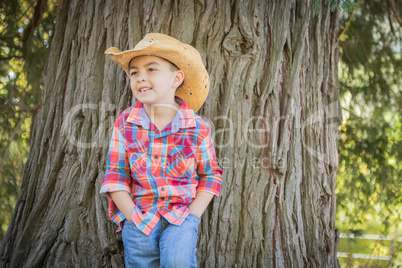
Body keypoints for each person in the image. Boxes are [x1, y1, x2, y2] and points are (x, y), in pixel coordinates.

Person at [99, 33, 223, 268]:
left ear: (176, 78)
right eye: (134, 72)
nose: (140, 77)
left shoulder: (196, 127)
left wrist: (192, 217)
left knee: (177, 262)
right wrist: (132, 216)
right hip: (140, 217)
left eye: (151, 69)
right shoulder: (126, 122)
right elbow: (115, 175)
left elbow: (210, 175)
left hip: (181, 218)